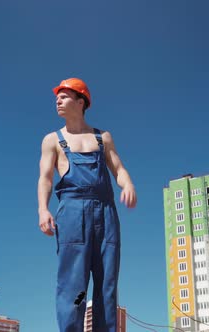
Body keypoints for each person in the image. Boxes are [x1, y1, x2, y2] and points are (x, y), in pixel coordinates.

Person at [37, 78, 137, 331]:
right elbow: (46, 178)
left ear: (81, 102)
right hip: (71, 212)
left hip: (106, 212)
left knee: (107, 284)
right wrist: (43, 209)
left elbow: (119, 169)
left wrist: (127, 185)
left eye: (64, 96)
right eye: (56, 97)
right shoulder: (52, 140)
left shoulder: (103, 138)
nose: (57, 100)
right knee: (73, 283)